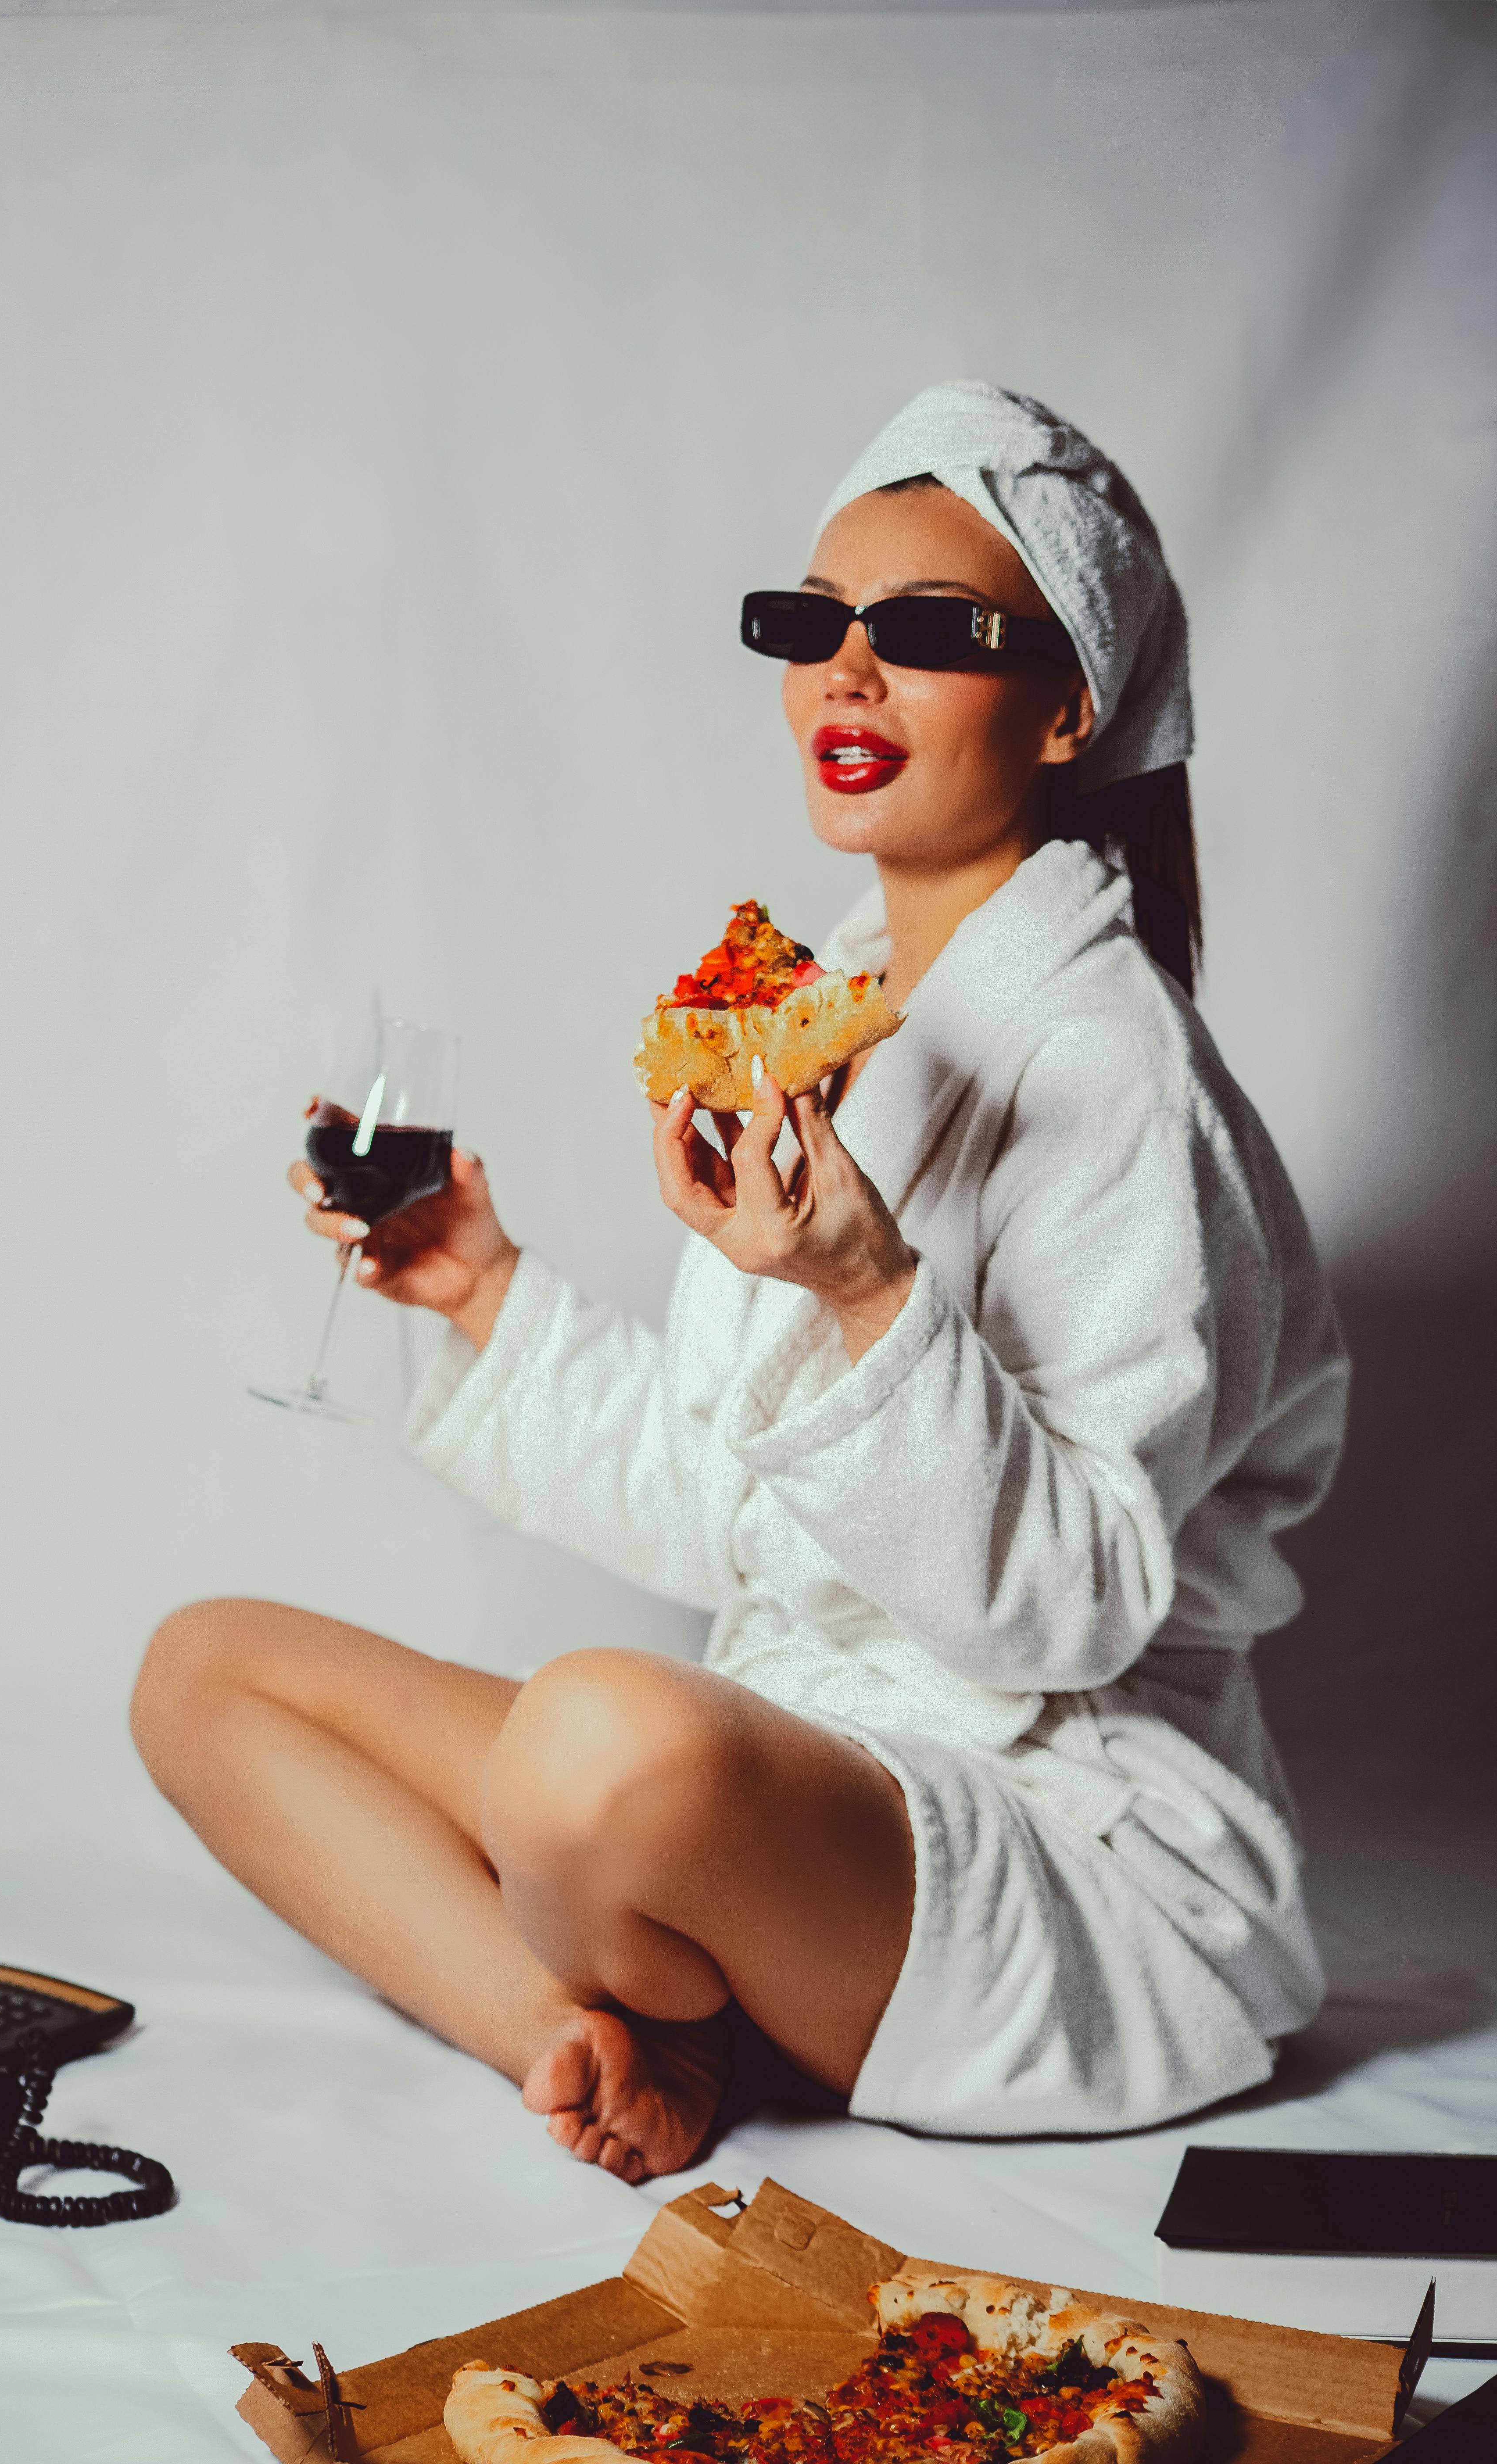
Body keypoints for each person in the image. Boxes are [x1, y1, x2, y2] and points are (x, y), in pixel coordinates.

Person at [132, 382, 1348, 2183]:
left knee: (594, 1732)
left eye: (930, 632)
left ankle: (672, 1965)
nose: (848, 672)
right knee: (207, 1670)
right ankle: (577, 2040)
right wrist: (484, 1292)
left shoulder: (1116, 1071)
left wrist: (868, 1293)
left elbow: (1072, 1613)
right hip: (805, 1776)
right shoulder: (829, 1011)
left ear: (1069, 707)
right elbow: (750, 1519)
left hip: (1054, 1849)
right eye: (814, 622)